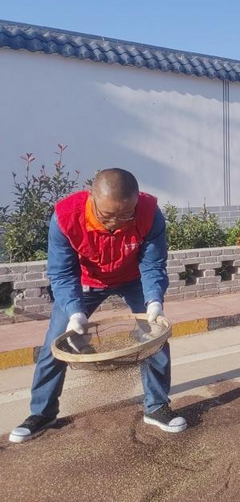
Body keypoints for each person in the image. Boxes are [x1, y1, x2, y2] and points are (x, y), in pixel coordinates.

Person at [9, 169, 186, 443]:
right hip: (87, 282)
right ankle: (42, 414)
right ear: (91, 197)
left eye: (125, 215)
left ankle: (157, 407)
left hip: (133, 279)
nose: (114, 224)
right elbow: (62, 273)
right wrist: (74, 312)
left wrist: (154, 302)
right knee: (54, 345)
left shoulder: (150, 213)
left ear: (136, 202)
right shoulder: (66, 217)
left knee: (155, 338)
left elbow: (153, 263)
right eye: (107, 216)